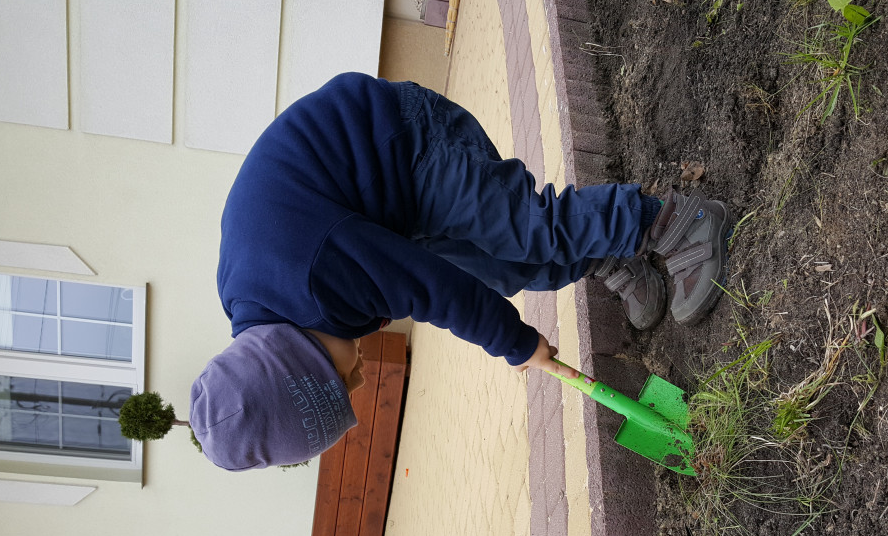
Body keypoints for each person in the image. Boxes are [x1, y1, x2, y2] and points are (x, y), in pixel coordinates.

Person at [189, 73, 731, 470]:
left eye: (338, 382)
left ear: (295, 355)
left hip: (405, 141)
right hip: (387, 212)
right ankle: (610, 256)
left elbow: (433, 290)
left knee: (530, 230)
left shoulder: (308, 277)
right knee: (506, 271)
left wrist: (516, 343)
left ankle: (674, 224)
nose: (358, 380)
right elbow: (430, 281)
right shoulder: (269, 314)